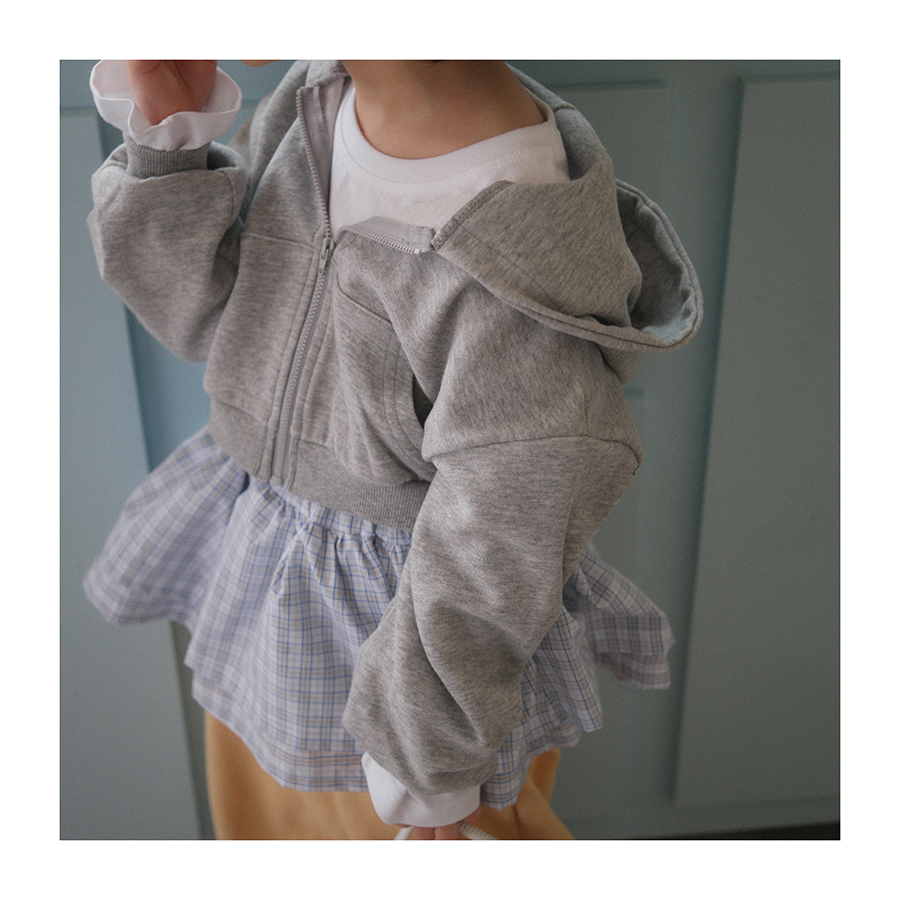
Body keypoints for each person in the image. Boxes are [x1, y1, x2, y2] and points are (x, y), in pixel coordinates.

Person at [84, 59, 702, 840]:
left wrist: (424, 766)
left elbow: (503, 533)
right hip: (264, 605)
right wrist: (170, 141)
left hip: (405, 681)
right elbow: (208, 320)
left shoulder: (507, 249)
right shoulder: (316, 100)